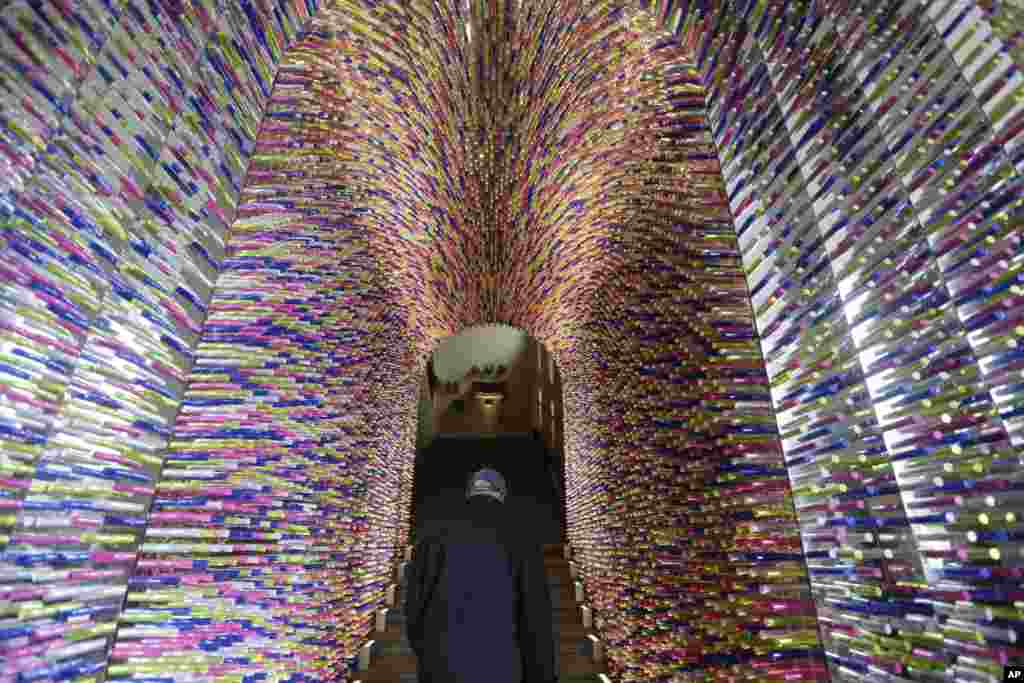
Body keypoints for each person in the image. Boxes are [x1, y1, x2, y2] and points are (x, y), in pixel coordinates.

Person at [404, 468, 557, 683]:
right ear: (502, 494)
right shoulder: (522, 537)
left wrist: (428, 654)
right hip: (501, 668)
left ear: (469, 492)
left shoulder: (432, 535)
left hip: (440, 669)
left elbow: (413, 608)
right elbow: (536, 618)